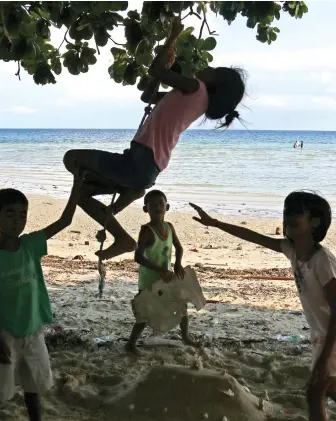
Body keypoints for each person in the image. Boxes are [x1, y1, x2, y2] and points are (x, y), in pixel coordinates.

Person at [63, 17, 246, 261]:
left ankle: (123, 234)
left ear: (215, 83)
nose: (206, 68)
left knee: (71, 158)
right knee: (83, 192)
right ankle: (127, 197)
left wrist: (172, 38)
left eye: (212, 70)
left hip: (140, 162)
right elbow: (148, 96)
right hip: (147, 168)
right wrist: (162, 73)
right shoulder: (192, 100)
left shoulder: (196, 88)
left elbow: (156, 71)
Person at [190, 192, 336, 421]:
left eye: (296, 213)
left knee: (314, 392)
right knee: (331, 388)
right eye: (286, 212)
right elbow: (253, 237)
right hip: (321, 332)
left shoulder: (323, 260)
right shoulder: (292, 250)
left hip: (335, 333)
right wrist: (215, 223)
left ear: (315, 221)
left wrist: (324, 357)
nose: (288, 218)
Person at [0, 176, 83, 421]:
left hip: (34, 331)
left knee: (33, 389)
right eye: (10, 214)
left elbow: (65, 221)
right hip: (6, 334)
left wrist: (77, 184)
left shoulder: (31, 245)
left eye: (22, 214)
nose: (17, 221)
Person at [125, 190, 199, 354]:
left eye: (161, 203)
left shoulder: (169, 227)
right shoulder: (146, 230)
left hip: (167, 278)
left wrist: (178, 264)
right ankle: (131, 343)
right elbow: (138, 257)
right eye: (153, 204)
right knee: (144, 313)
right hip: (149, 280)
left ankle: (186, 337)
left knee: (181, 305)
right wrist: (160, 270)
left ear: (167, 207)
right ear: (146, 209)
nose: (158, 206)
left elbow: (179, 247)